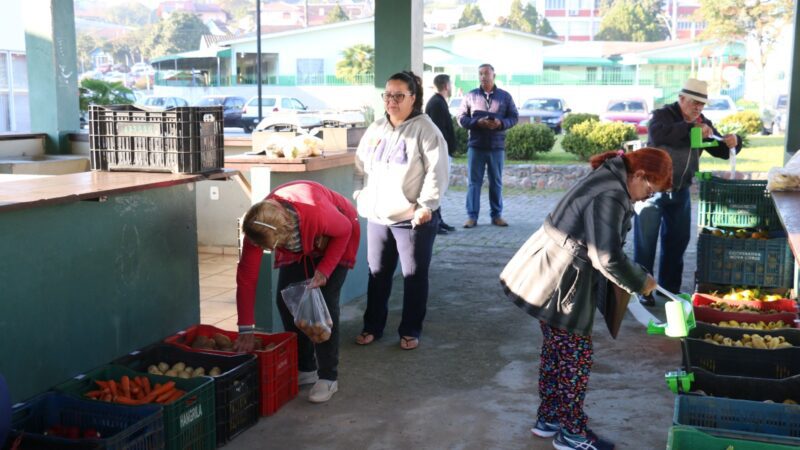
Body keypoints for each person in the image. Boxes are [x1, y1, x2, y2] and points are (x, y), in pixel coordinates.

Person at [500, 148, 670, 450]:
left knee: (556, 350)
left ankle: (549, 418)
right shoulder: (612, 194)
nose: (646, 198)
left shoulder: (610, 178)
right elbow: (607, 257)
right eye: (650, 190)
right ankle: (572, 433)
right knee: (575, 356)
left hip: (550, 270)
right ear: (640, 175)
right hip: (562, 277)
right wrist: (641, 282)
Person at [235, 180, 360, 403]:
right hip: (300, 236)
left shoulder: (316, 214)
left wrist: (323, 271)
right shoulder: (259, 225)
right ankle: (306, 368)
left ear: (281, 236)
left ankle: (328, 377)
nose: (262, 250)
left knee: (321, 310)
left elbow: (345, 230)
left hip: (337, 236)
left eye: (267, 248)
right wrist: (245, 327)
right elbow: (246, 277)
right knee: (286, 302)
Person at [353, 70, 449, 350]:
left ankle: (410, 330)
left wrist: (426, 206)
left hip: (412, 219)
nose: (391, 101)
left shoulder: (426, 129)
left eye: (399, 95)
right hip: (378, 216)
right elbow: (360, 166)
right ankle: (372, 327)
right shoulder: (377, 128)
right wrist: (361, 195)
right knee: (377, 273)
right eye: (387, 95)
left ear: (413, 98)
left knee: (414, 277)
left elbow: (437, 172)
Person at [634, 78, 742, 306]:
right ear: (681, 99)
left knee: (677, 243)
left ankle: (668, 290)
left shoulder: (702, 122)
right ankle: (642, 290)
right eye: (694, 103)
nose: (698, 109)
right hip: (651, 191)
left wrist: (734, 141)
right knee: (646, 244)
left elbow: (721, 149)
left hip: (680, 191)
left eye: (701, 105)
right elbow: (659, 134)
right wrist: (690, 129)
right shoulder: (663, 115)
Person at [457, 63, 518, 228]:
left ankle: (496, 216)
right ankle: (472, 217)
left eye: (486, 74)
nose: (483, 77)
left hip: (496, 147)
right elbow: (461, 118)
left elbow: (514, 117)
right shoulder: (470, 96)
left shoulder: (505, 96)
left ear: (494, 76)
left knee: (496, 182)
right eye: (480, 74)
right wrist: (478, 122)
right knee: (473, 182)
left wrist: (500, 123)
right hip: (476, 146)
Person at [425, 73, 457, 235]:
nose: (451, 87)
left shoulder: (438, 102)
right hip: (438, 153)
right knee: (436, 188)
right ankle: (434, 223)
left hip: (442, 152)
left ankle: (439, 220)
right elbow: (438, 131)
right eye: (450, 84)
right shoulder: (437, 103)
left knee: (439, 188)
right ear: (446, 86)